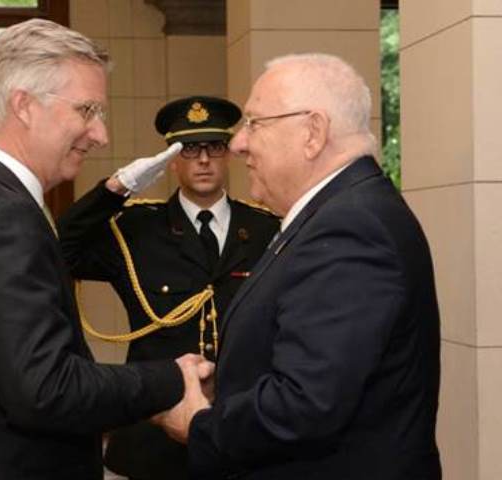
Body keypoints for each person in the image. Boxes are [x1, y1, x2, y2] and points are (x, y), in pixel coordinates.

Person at [0, 18, 212, 480]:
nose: (101, 135)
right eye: (87, 110)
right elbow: (45, 388)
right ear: (24, 106)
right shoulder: (5, 218)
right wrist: (171, 379)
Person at [155, 53, 442, 479]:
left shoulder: (351, 227)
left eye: (255, 123)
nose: (238, 143)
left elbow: (306, 404)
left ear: (313, 132)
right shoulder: (335, 213)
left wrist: (200, 423)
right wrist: (229, 384)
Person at [57, 96, 280, 479]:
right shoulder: (137, 227)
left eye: (214, 146)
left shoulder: (265, 228)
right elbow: (61, 248)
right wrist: (115, 189)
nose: (204, 159)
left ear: (228, 153)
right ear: (172, 159)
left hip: (241, 430)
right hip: (154, 437)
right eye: (190, 149)